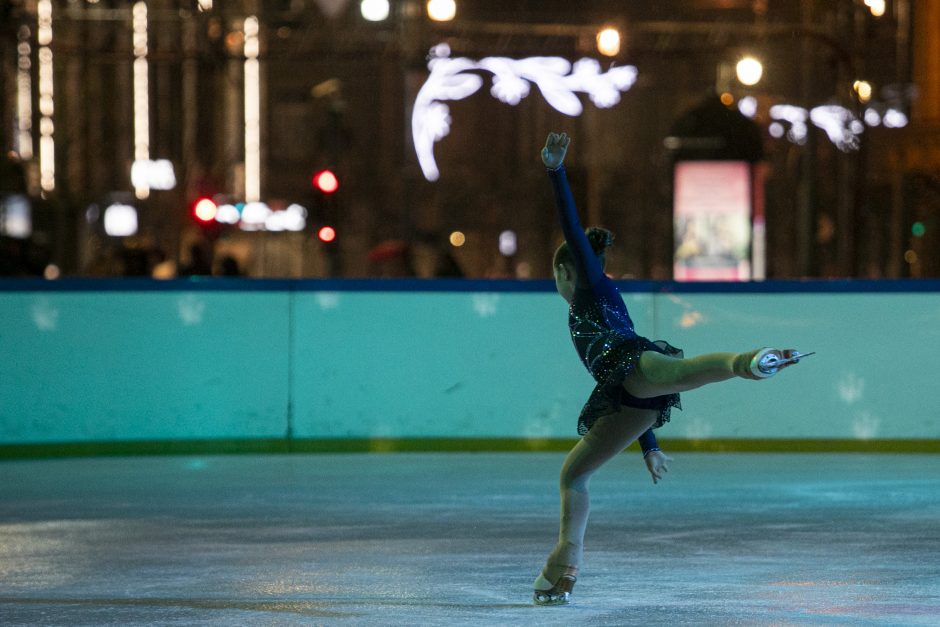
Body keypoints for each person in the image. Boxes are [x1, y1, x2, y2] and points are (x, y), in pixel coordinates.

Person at [533, 132, 808, 605]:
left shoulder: (591, 290)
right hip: (628, 400)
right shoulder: (597, 301)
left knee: (683, 373)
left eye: (559, 272)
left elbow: (572, 230)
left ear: (567, 272)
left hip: (635, 365)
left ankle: (749, 361)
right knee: (573, 474)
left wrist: (557, 172)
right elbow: (632, 392)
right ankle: (564, 568)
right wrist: (650, 447)